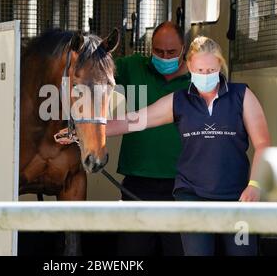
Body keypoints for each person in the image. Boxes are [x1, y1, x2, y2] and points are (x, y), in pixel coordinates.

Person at [105, 36, 271, 256]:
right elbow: (134, 120)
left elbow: (263, 144)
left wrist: (255, 185)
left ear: (220, 66)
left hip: (237, 198)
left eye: (211, 70)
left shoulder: (241, 95)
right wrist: (84, 131)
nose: (206, 75)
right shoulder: (179, 100)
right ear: (190, 66)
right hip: (192, 197)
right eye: (200, 70)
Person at [59, 21, 189, 256]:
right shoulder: (132, 67)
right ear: (151, 49)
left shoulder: (199, 79)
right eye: (158, 52)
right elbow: (93, 76)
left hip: (182, 184)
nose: (164, 57)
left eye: (171, 53)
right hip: (137, 183)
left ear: (184, 50)